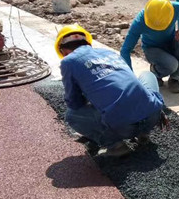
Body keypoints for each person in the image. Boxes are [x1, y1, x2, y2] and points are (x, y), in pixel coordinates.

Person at [55, 24, 168, 158]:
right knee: (147, 75)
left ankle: (116, 146)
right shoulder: (109, 53)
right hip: (152, 117)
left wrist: (88, 96)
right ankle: (143, 133)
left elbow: (74, 102)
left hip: (124, 127)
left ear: (63, 51)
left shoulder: (68, 62)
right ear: (88, 43)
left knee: (72, 115)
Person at [120, 0, 179, 94]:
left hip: (170, 43)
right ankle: (155, 72)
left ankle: (175, 79)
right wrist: (131, 79)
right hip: (152, 49)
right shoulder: (140, 21)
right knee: (172, 64)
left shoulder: (176, 8)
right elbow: (125, 50)